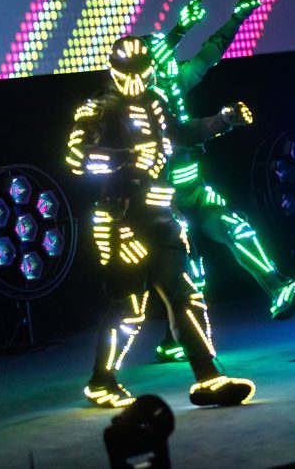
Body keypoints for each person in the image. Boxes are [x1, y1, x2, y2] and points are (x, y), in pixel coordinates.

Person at [66, 36, 254, 407]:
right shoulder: (99, 109)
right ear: (114, 71)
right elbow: (77, 157)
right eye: (129, 73)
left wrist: (222, 121)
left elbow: (181, 133)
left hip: (160, 215)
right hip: (121, 222)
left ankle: (208, 376)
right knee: (128, 308)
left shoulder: (155, 101)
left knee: (185, 294)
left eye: (142, 72)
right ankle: (102, 380)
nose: (136, 81)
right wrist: (125, 157)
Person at [143, 0, 295, 362]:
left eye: (171, 60)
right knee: (191, 268)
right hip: (161, 200)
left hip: (192, 189)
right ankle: (179, 337)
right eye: (163, 61)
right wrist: (221, 121)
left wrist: (237, 17)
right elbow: (183, 132)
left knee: (236, 229)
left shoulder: (174, 84)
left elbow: (210, 54)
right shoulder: (139, 106)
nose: (173, 66)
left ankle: (278, 289)